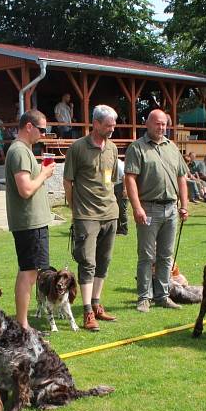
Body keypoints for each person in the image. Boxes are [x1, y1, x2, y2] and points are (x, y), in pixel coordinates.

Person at [124, 108, 190, 312]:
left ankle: (162, 295)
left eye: (164, 124)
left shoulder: (172, 147)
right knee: (146, 256)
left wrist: (184, 205)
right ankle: (144, 297)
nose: (161, 127)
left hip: (171, 209)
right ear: (148, 124)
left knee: (166, 256)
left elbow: (181, 177)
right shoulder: (137, 148)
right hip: (148, 209)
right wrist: (137, 208)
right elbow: (130, 179)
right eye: (157, 123)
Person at [63, 105, 120, 331]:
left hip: (110, 213)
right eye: (108, 125)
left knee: (103, 261)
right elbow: (68, 182)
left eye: (114, 125)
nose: (112, 129)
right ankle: (87, 311)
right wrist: (75, 208)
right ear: (95, 124)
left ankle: (96, 304)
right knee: (88, 263)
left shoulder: (113, 148)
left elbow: (112, 179)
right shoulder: (77, 148)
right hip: (86, 215)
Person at [5, 109, 56, 328]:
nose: (44, 134)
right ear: (29, 126)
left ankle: (23, 323)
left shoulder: (24, 150)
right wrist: (44, 175)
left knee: (31, 271)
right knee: (29, 272)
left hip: (33, 222)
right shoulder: (19, 151)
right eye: (42, 129)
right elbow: (25, 190)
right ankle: (23, 325)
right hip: (28, 222)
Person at [114, 157, 128, 235]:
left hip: (121, 186)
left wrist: (125, 189)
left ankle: (124, 230)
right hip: (114, 186)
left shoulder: (119, 164)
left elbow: (124, 177)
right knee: (115, 209)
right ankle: (118, 229)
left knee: (122, 209)